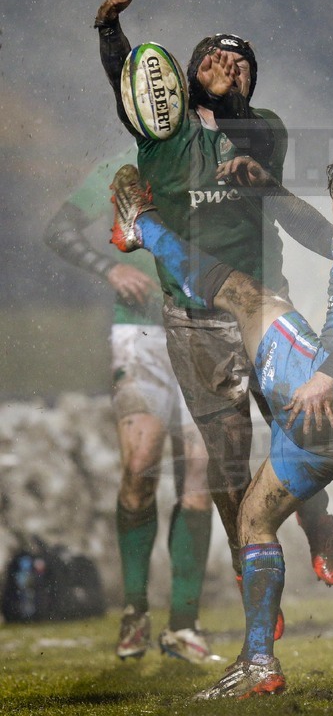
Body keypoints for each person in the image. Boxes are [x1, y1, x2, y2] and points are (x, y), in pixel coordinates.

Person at [109, 148, 333, 699]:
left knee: (249, 297)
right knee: (255, 519)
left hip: (325, 394)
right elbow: (327, 241)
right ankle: (259, 663)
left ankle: (146, 228)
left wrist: (326, 375)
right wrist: (269, 188)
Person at [94, 0, 333, 612]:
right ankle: (246, 562)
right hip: (193, 319)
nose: (228, 69)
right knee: (227, 456)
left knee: (297, 426)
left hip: (265, 306)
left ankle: (319, 521)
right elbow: (133, 84)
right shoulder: (161, 135)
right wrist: (109, 32)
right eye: (214, 60)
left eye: (242, 65)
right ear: (185, 76)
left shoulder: (262, 129)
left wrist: (229, 97)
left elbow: (251, 136)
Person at [44, 149, 214, 664]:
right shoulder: (123, 166)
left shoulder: (212, 159)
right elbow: (59, 230)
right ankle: (135, 609)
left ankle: (184, 624)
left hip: (207, 329)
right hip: (141, 333)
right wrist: (110, 268)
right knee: (140, 467)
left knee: (199, 472)